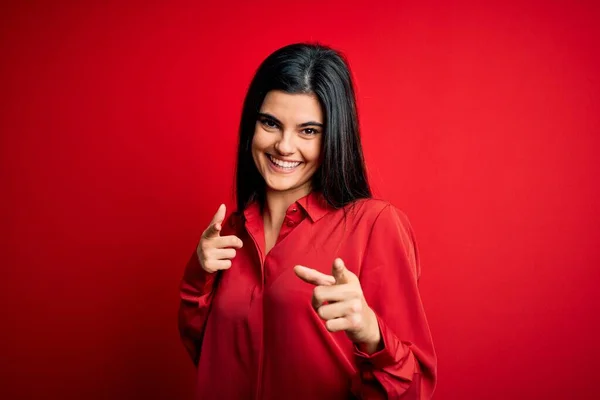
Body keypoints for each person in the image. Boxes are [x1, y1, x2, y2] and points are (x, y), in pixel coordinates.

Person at [178, 43, 437, 399]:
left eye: (308, 131)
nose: (284, 146)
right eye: (270, 123)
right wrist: (200, 274)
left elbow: (416, 388)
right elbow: (207, 356)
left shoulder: (374, 225)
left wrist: (371, 332)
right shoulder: (230, 234)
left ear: (334, 137)